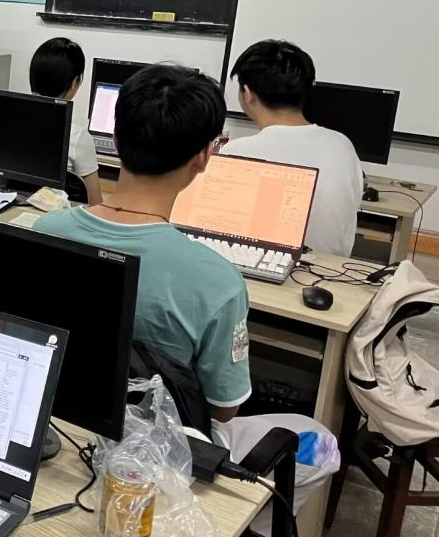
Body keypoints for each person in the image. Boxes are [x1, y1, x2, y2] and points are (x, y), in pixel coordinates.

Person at [34, 64, 337, 529]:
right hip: (163, 455)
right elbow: (224, 406)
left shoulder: (47, 229)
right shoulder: (217, 280)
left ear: (115, 138)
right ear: (205, 156)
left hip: (58, 423)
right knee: (320, 440)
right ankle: (238, 523)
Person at [224, 40, 363, 256]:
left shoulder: (236, 152)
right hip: (333, 269)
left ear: (247, 94)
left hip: (263, 268)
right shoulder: (342, 144)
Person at [29, 38, 103, 205]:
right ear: (74, 83)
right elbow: (95, 204)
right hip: (57, 218)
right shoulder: (77, 137)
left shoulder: (6, 122)